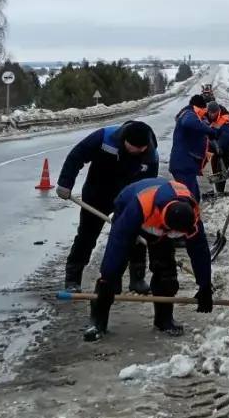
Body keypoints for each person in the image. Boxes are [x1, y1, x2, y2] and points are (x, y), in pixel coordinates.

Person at [83, 176, 214, 341]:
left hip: (159, 218)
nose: (175, 236)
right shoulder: (138, 207)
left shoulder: (191, 216)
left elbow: (199, 250)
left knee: (166, 269)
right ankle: (98, 321)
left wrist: (205, 286)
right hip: (130, 204)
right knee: (115, 267)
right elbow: (117, 244)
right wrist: (108, 279)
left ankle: (164, 320)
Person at [55, 119, 159, 292]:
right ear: (124, 140)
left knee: (137, 236)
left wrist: (143, 208)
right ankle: (72, 280)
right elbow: (76, 156)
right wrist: (65, 183)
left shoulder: (150, 155)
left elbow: (148, 185)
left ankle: (137, 279)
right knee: (86, 237)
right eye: (132, 147)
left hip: (130, 199)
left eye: (140, 149)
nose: (136, 151)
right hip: (98, 193)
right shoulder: (105, 137)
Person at [168, 94, 220, 202]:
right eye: (203, 109)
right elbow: (190, 122)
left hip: (187, 166)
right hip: (182, 166)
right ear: (198, 107)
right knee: (188, 198)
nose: (204, 113)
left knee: (195, 196)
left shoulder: (190, 114)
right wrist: (210, 131)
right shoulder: (189, 114)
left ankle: (191, 216)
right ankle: (184, 217)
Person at [206, 102, 229, 195]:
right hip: (216, 147)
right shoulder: (210, 117)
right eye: (210, 112)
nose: (211, 115)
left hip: (227, 148)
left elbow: (227, 138)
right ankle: (217, 188)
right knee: (214, 167)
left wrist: (218, 146)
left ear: (218, 111)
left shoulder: (225, 120)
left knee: (221, 170)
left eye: (213, 113)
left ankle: (220, 190)